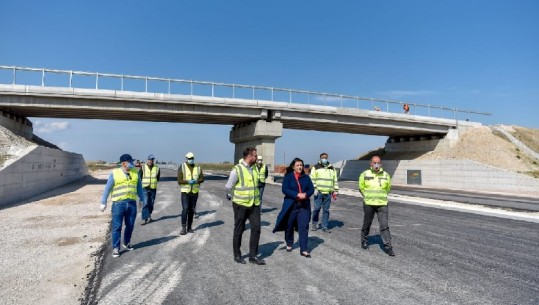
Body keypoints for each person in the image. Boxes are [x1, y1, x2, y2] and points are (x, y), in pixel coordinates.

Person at [225, 147, 266, 265]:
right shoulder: (237, 170)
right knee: (239, 229)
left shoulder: (254, 169)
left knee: (256, 228)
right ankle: (237, 255)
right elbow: (228, 186)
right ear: (249, 157)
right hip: (240, 205)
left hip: (254, 204)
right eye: (255, 156)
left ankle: (253, 256)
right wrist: (232, 197)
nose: (257, 158)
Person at [100, 154, 145, 258]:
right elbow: (107, 188)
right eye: (130, 161)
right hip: (118, 204)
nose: (132, 163)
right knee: (117, 227)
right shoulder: (114, 173)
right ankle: (116, 248)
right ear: (124, 163)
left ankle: (127, 242)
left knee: (130, 225)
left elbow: (139, 188)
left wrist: (142, 199)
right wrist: (103, 202)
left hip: (131, 204)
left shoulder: (135, 173)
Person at [273, 158, 314, 258]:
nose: (300, 167)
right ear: (293, 167)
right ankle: (289, 242)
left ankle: (304, 249)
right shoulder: (288, 177)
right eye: (298, 165)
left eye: (301, 165)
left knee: (303, 227)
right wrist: (297, 194)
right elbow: (285, 189)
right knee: (289, 225)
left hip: (303, 206)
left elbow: (311, 189)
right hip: (292, 205)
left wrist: (306, 194)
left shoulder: (306, 177)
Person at [358, 155, 395, 256]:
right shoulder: (364, 174)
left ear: (381, 163)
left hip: (382, 204)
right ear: (371, 163)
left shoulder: (386, 175)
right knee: (367, 223)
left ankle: (388, 246)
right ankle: (364, 240)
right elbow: (361, 188)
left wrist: (381, 196)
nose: (376, 164)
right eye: (374, 162)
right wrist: (367, 196)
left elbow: (388, 188)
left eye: (378, 162)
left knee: (384, 226)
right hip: (369, 203)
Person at [310, 153, 339, 233]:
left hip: (328, 193)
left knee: (326, 210)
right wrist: (314, 188)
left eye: (325, 158)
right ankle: (314, 224)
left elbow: (334, 180)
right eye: (323, 158)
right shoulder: (316, 167)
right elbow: (312, 178)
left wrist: (335, 190)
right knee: (316, 209)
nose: (324, 159)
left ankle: (324, 226)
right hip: (318, 192)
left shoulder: (332, 168)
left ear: (327, 158)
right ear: (320, 158)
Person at [177, 152, 205, 235]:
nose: (191, 160)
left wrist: (196, 181)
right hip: (185, 192)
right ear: (186, 159)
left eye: (192, 158)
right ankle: (183, 228)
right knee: (185, 209)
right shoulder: (182, 167)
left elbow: (202, 179)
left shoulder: (198, 167)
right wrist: (188, 182)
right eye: (189, 158)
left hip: (194, 192)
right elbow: (179, 180)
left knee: (192, 210)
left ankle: (189, 227)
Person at [139, 154, 160, 225]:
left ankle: (149, 216)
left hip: (153, 188)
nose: (151, 161)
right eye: (150, 160)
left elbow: (158, 178)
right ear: (147, 160)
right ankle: (144, 218)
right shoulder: (143, 167)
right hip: (145, 188)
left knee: (151, 203)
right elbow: (140, 177)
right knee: (145, 203)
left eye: (152, 160)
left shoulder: (157, 168)